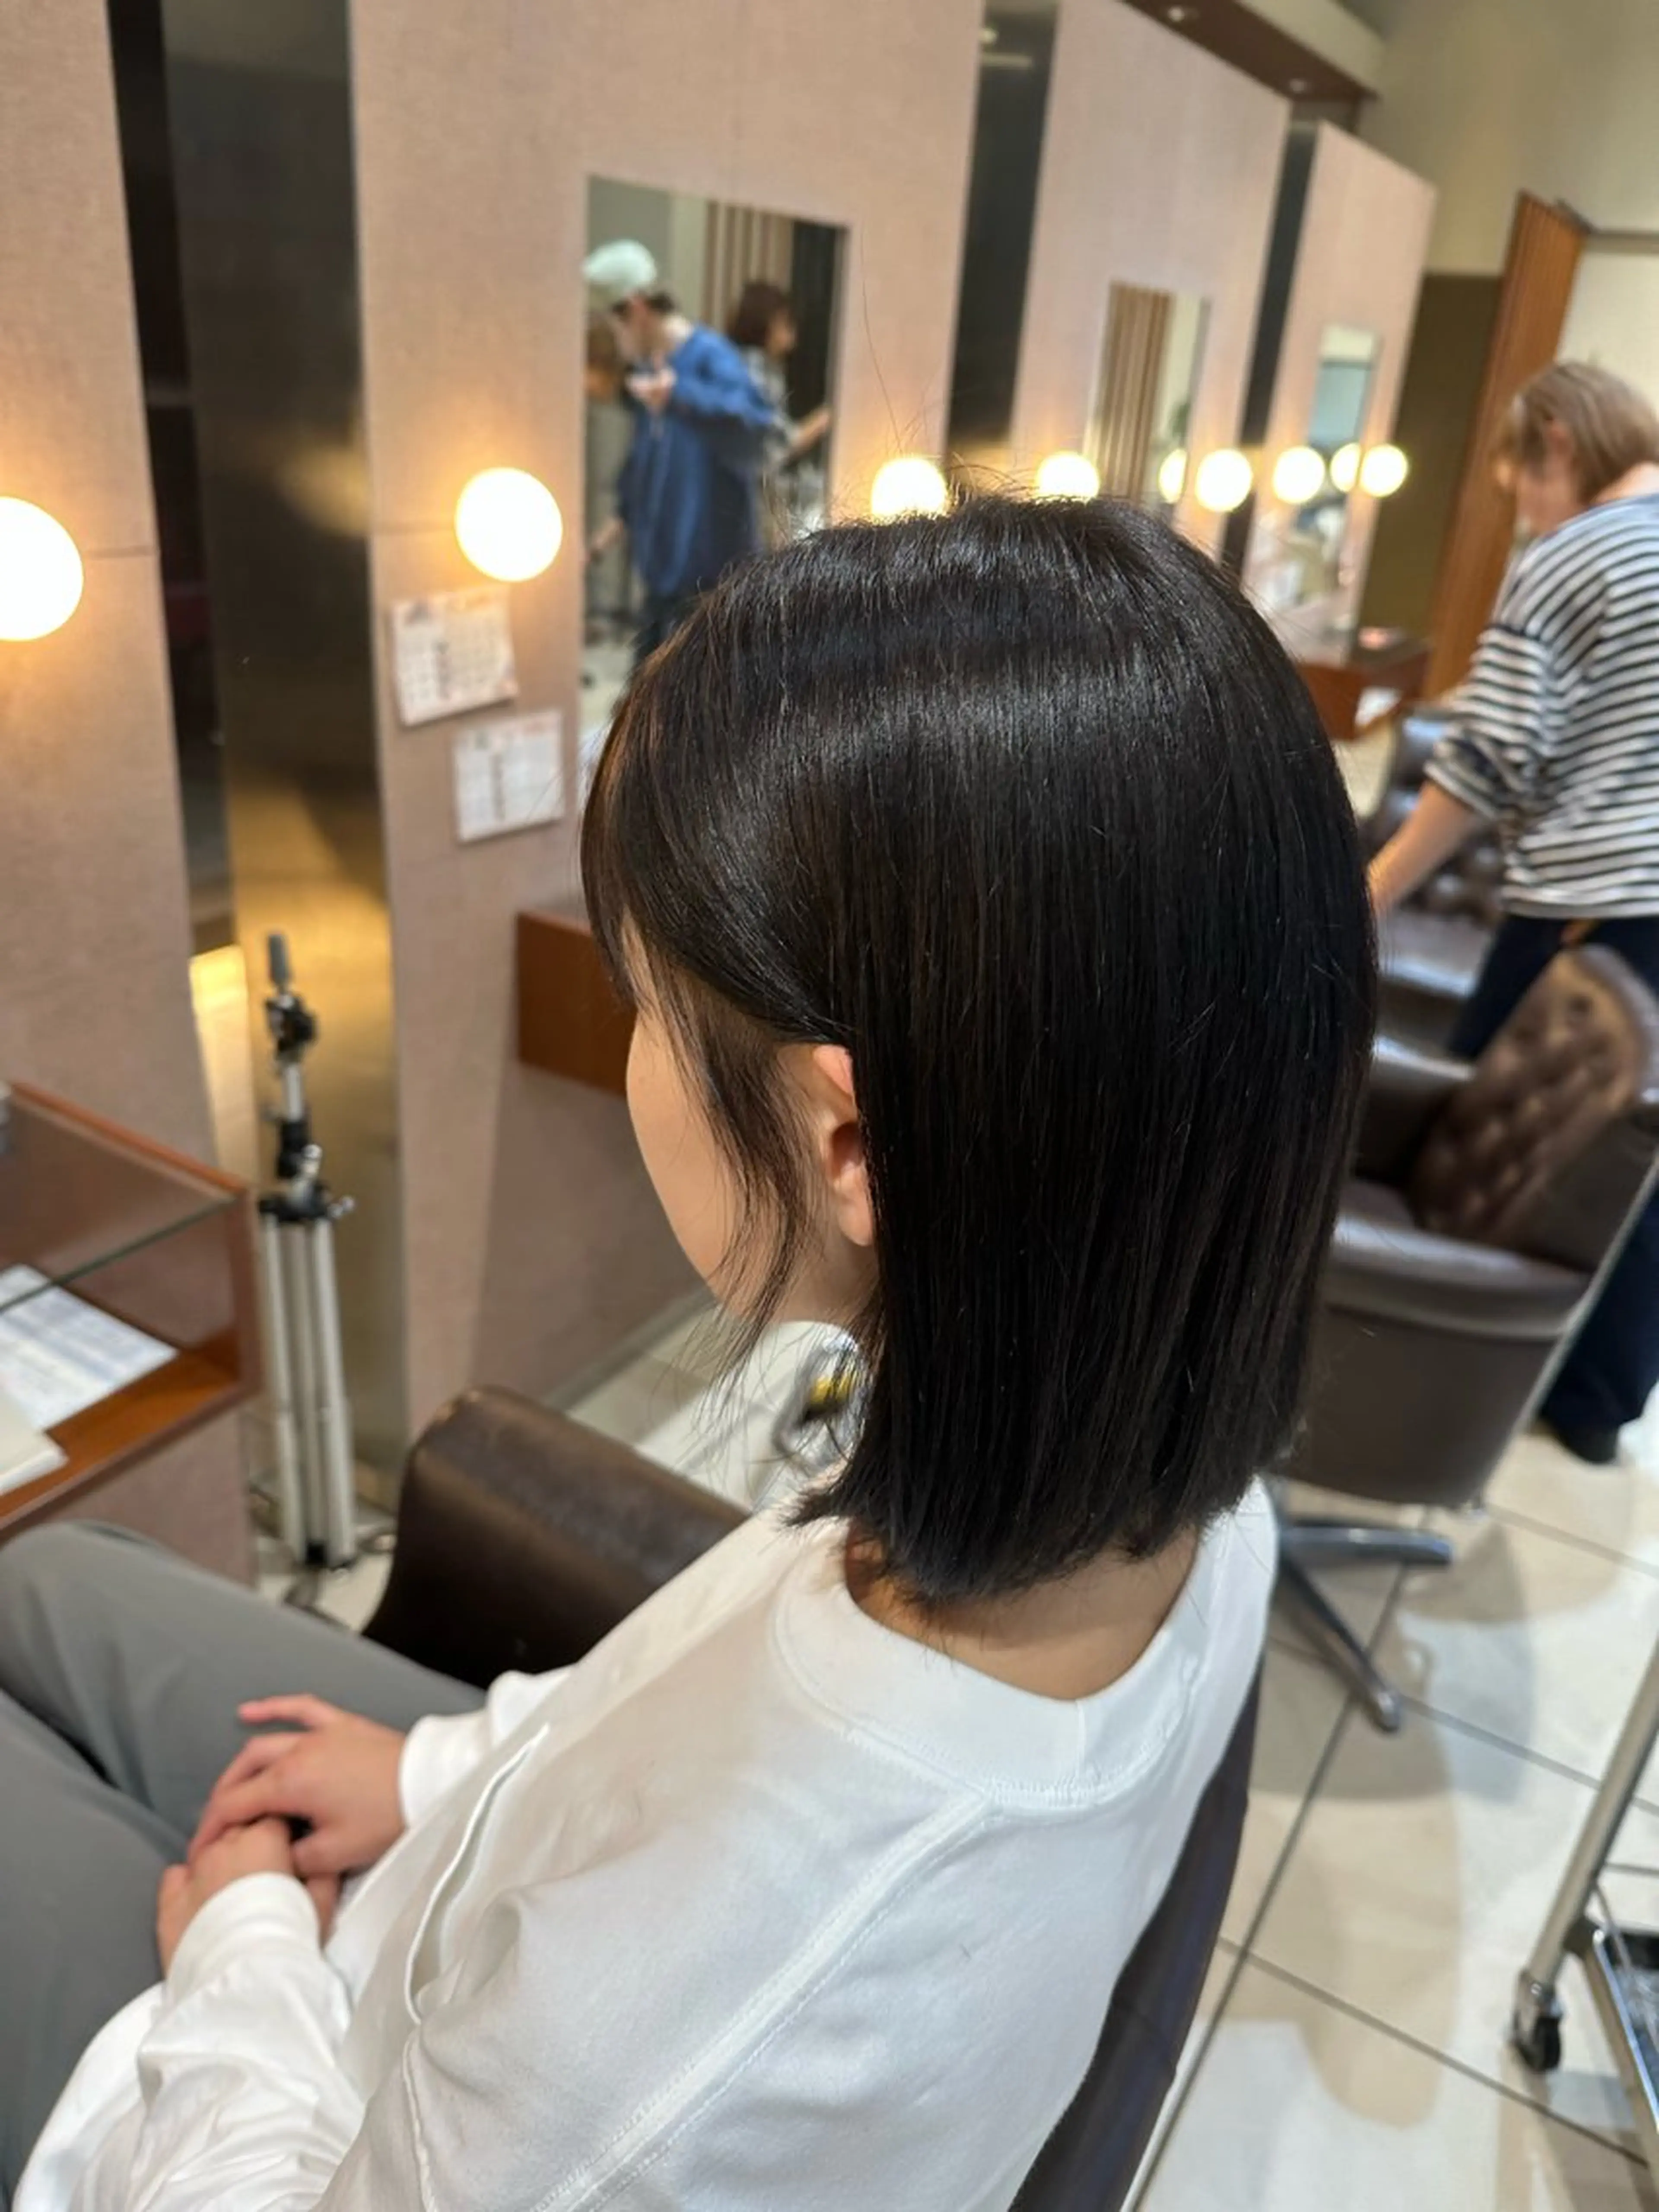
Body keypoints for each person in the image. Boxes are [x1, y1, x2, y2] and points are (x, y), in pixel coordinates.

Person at [0, 494, 1375, 2212]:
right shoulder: (1166, 1489)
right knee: (45, 1581)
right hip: (477, 1862)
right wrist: (434, 1769)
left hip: (268, 2111)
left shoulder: (660, 2038)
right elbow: (669, 1708)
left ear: (845, 1141)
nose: (639, 1042)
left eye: (648, 997)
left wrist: (242, 1950)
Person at [1371, 361, 1659, 1466]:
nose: (1525, 512)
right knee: (1626, 1153)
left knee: (1491, 1148)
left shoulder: (1578, 551)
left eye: (1518, 486)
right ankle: (1593, 1401)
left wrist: (1372, 890)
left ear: (1552, 438)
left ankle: (1422, 1372)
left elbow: (1484, 758)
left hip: (1589, 908)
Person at [583, 238, 775, 664]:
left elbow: (756, 429)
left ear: (635, 309)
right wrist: (595, 547)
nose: (616, 342)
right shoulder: (654, 372)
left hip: (716, 597)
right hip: (664, 597)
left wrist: (683, 397)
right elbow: (642, 480)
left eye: (614, 328)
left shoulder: (709, 358)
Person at [726, 279, 832, 545]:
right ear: (769, 323)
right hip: (750, 499)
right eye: (786, 321)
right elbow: (779, 446)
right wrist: (826, 419)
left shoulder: (755, 366)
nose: (793, 331)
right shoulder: (755, 372)